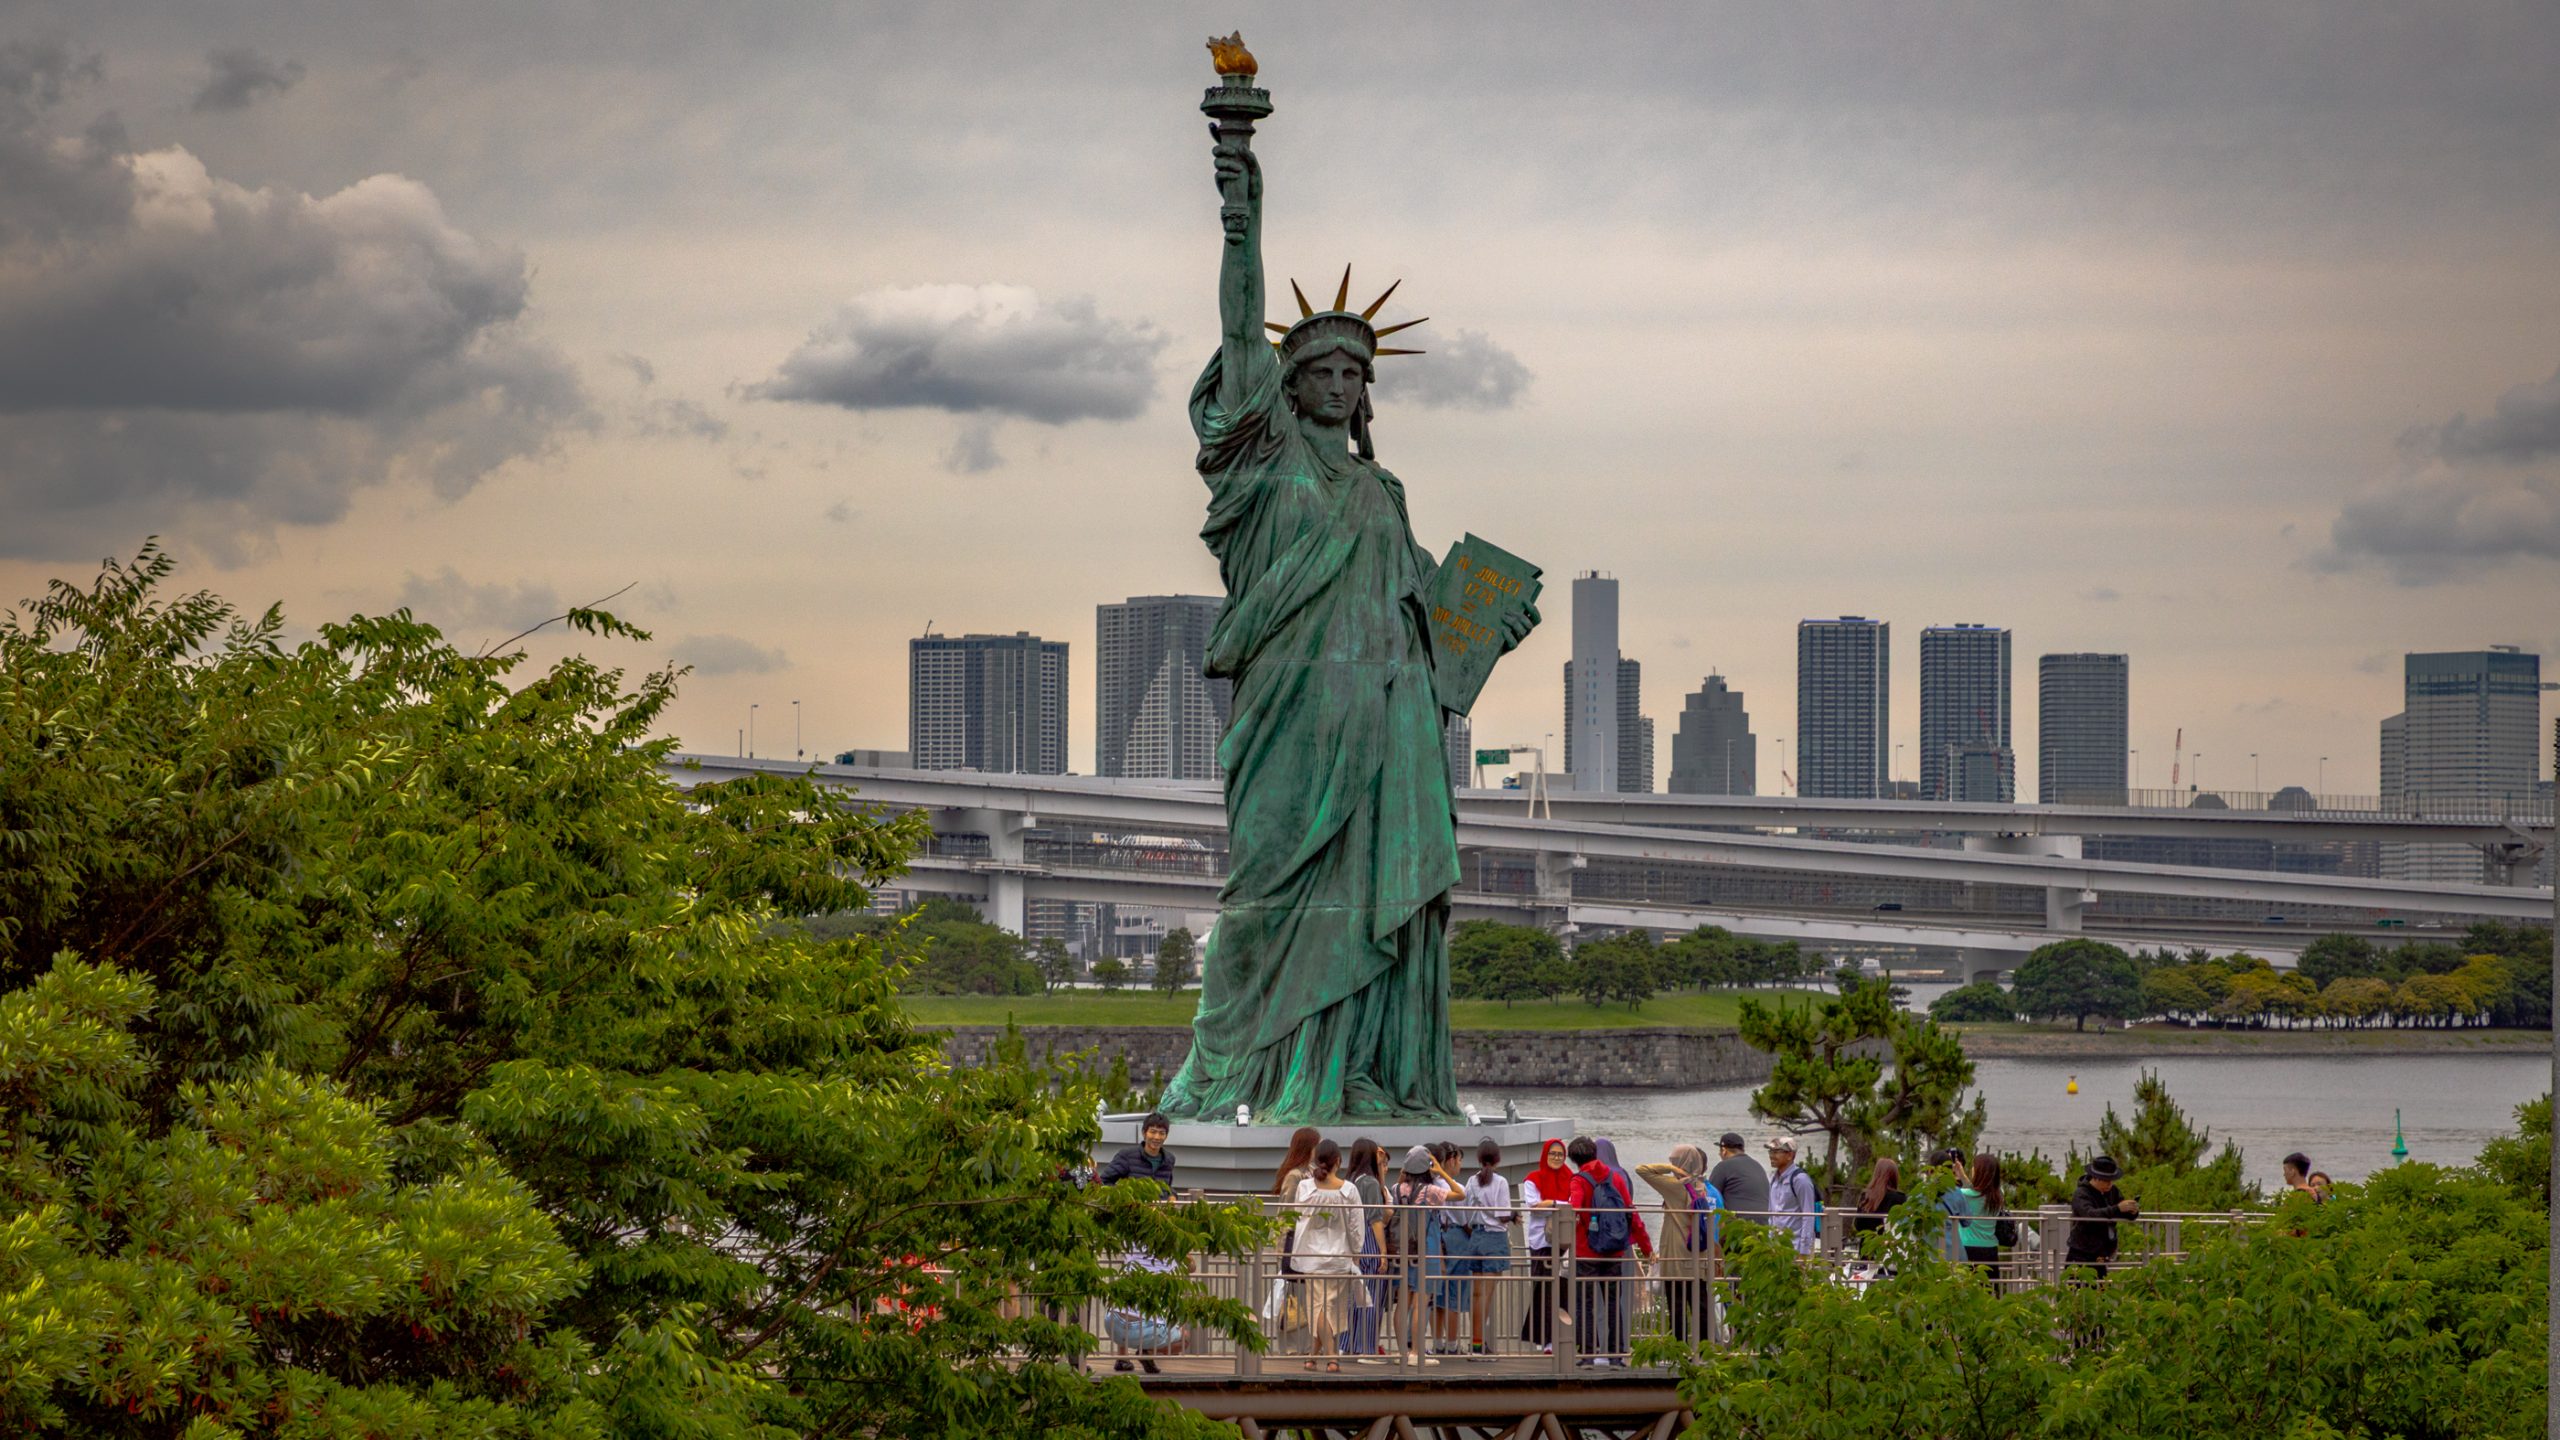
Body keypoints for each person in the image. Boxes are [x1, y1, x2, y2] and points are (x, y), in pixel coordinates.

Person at [1154, 76, 1538, 1129]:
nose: (1331, 381)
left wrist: (1484, 622)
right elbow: (1239, 328)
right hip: (1292, 710)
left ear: (1365, 393)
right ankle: (1246, 1073)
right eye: (1315, 367)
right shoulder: (1264, 464)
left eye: (1347, 372)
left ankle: (1364, 1072)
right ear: (1285, 388)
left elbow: (1423, 615)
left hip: (1383, 718)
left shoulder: (1382, 490)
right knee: (1270, 888)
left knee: (1379, 894)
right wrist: (1239, 191)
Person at [1096, 1114, 1181, 1374]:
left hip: (1159, 1229)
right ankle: (1122, 1355)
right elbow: (1105, 1181)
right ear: (1144, 1133)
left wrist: (1173, 1198)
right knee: (1131, 1289)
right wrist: (1126, 1201)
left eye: (1161, 1133)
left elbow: (1168, 1188)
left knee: (1157, 1289)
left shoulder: (1169, 1160)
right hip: (1134, 1228)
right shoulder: (1127, 1156)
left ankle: (1146, 1351)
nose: (1156, 1137)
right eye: (1152, 1132)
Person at [1565, 1135, 1652, 1366]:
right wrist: (1646, 1247)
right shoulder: (1616, 1177)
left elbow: (1573, 1209)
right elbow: (1631, 1213)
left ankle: (1587, 1354)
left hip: (1586, 1252)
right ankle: (1617, 1355)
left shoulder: (1578, 1180)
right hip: (1613, 1251)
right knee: (1614, 1302)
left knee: (1585, 1303)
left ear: (1574, 1159)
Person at [1634, 1144, 1722, 1345]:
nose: (1673, 1164)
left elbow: (1642, 1170)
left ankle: (1679, 1348)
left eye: (1675, 1161)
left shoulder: (1676, 1187)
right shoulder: (1700, 1186)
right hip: (1697, 1254)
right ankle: (1703, 1349)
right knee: (1699, 1304)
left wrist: (1670, 1170)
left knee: (1677, 1304)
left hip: (1677, 1255)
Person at [1290, 1140, 1364, 1372]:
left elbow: (1297, 1217)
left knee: (1319, 1306)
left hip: (1312, 1255)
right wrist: (1356, 1251)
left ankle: (1314, 1356)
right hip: (1340, 1255)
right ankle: (1332, 1356)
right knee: (1330, 1307)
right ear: (1338, 1162)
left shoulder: (1305, 1188)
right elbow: (1355, 1225)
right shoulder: (1349, 1190)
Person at [1384, 1146, 1453, 1363]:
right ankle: (1416, 1351)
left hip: (1403, 1249)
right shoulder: (1430, 1191)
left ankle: (1403, 1352)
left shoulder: (1396, 1188)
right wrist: (1441, 1172)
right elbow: (1461, 1194)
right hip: (1427, 1248)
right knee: (1421, 1303)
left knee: (1402, 1303)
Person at [1517, 1139, 1574, 1352]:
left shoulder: (1571, 1177)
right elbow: (1534, 1207)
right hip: (1541, 1241)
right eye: (1553, 1154)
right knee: (1544, 1288)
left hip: (1564, 1241)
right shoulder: (1533, 1179)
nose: (1557, 1158)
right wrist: (1556, 1204)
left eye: (1560, 1154)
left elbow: (1574, 1204)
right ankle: (1545, 1339)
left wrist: (1549, 1203)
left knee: (1559, 1289)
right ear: (1545, 1155)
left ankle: (1554, 1338)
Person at [1344, 1137, 1387, 1360]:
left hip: (1353, 1242)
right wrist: (1383, 1251)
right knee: (1371, 1298)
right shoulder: (1369, 1183)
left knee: (1354, 1298)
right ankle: (1367, 1347)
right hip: (1369, 1243)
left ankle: (1348, 1343)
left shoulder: (1350, 1180)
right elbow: (1376, 1219)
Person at [2066, 1155, 2139, 1278]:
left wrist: (2131, 1211)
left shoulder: (2113, 1191)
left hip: (2102, 1251)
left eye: (2111, 1180)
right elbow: (2089, 1215)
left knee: (2101, 1290)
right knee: (2076, 1288)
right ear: (2095, 1178)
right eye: (2106, 1180)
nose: (2109, 1184)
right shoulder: (2081, 1194)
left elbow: (2120, 1209)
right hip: (2082, 1251)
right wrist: (2117, 1208)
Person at [1766, 1136, 1818, 1257]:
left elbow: (1808, 1216)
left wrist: (1804, 1251)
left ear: (1790, 1155)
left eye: (1776, 1152)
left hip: (1796, 1248)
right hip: (1776, 1248)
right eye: (1770, 1151)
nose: (1771, 1155)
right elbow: (1771, 1214)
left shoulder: (1800, 1180)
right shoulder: (1773, 1179)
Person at [1959, 1153, 2008, 1276]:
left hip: (1966, 1247)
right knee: (1989, 1289)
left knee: (1967, 1289)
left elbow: (1969, 1191)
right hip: (1990, 1249)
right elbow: (1979, 1189)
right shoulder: (1998, 1195)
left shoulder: (1963, 1194)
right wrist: (1962, 1175)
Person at [1708, 1131, 1771, 1225]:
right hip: (1764, 1224)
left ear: (1724, 1151)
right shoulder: (1757, 1165)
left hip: (1738, 1226)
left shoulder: (1723, 1166)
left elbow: (1711, 1196)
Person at [1931, 1148, 1981, 1263]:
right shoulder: (1956, 1193)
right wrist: (1961, 1176)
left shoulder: (1918, 1194)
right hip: (1953, 1253)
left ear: (1930, 1171)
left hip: (1929, 1254)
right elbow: (1967, 1221)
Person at [1849, 1158, 1904, 1239]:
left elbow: (1858, 1225)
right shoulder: (1900, 1198)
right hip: (1890, 1246)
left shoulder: (1866, 1196)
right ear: (1894, 1176)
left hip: (1867, 1246)